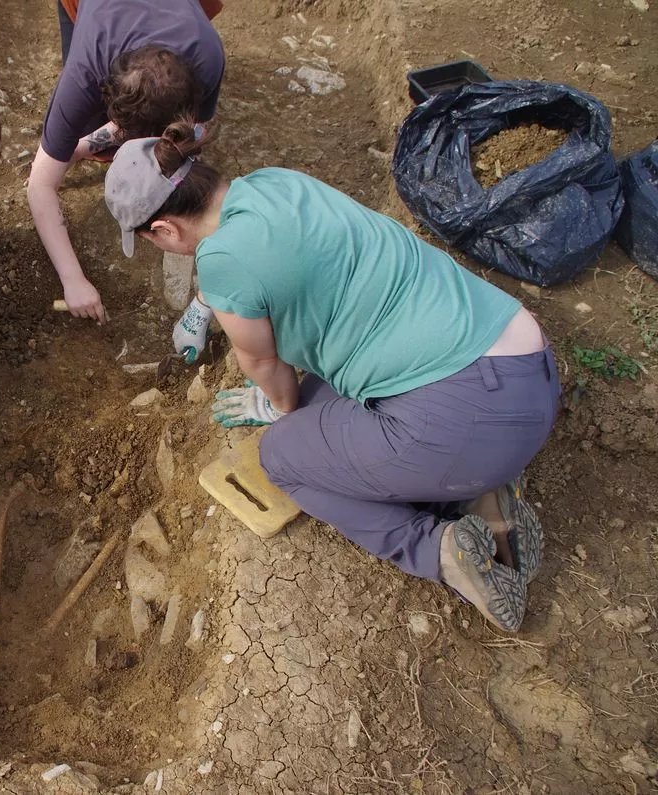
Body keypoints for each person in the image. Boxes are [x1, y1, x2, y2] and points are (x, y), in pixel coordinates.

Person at [103, 121, 561, 632]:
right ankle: (482, 499)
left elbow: (263, 365)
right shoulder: (274, 183)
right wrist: (206, 307)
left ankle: (442, 551)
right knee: (324, 397)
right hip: (526, 368)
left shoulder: (223, 262)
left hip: (470, 413)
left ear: (164, 230)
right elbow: (254, 260)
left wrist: (277, 409)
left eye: (150, 241)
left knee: (285, 454)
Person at [27, 0, 225, 325]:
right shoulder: (84, 73)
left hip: (175, 20)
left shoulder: (207, 57)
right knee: (80, 128)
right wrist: (73, 280)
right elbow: (40, 185)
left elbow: (195, 132)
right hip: (93, 11)